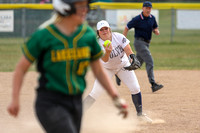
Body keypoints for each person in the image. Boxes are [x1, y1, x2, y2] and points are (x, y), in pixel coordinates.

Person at [7, 0, 128, 133]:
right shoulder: (44, 35)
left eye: (86, 6)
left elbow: (99, 71)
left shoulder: (87, 35)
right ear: (65, 8)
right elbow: (21, 68)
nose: (85, 10)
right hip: (50, 102)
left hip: (75, 102)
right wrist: (15, 99)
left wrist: (115, 97)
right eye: (80, 6)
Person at [83, 20, 152, 122]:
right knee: (95, 93)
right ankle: (78, 114)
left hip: (122, 65)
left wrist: (132, 57)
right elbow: (105, 59)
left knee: (135, 88)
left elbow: (127, 48)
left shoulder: (118, 36)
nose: (104, 31)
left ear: (109, 29)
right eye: (101, 30)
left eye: (106, 28)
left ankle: (140, 114)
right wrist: (107, 52)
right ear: (98, 32)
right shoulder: (98, 44)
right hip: (106, 69)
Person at [117, 1, 164, 92]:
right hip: (139, 43)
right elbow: (127, 27)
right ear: (142, 8)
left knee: (136, 64)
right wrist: (122, 40)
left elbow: (154, 27)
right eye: (146, 8)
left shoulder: (152, 18)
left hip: (147, 43)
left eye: (149, 8)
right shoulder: (138, 19)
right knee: (150, 61)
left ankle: (119, 74)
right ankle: (153, 84)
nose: (148, 10)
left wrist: (156, 30)